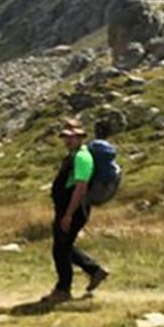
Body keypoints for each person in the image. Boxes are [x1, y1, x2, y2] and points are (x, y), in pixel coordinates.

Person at [44, 118, 108, 303]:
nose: (68, 140)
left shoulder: (82, 157)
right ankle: (94, 271)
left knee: (60, 249)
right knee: (63, 246)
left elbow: (80, 187)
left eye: (72, 137)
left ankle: (63, 290)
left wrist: (69, 214)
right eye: (66, 137)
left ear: (80, 137)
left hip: (74, 209)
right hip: (67, 208)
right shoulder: (73, 155)